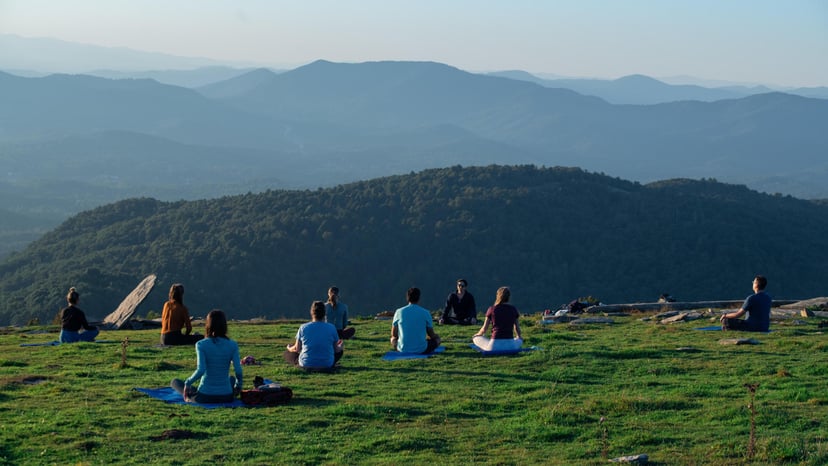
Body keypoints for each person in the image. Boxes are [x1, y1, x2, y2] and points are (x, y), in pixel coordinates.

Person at [171, 309, 242, 403]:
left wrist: (188, 383)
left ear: (208, 325)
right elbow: (238, 370)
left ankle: (189, 398)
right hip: (226, 396)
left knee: (175, 382)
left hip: (205, 396)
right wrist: (238, 386)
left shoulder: (201, 344)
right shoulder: (232, 345)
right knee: (231, 378)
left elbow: (201, 370)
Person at [285, 301, 343, 370]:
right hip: (327, 364)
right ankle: (328, 363)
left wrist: (289, 348)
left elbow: (297, 349)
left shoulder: (303, 327)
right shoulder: (331, 327)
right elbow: (336, 350)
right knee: (340, 352)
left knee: (287, 353)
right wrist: (340, 346)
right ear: (324, 313)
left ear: (312, 313)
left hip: (306, 364)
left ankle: (302, 364)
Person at [391, 287, 441, 353]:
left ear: (407, 297)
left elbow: (394, 334)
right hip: (422, 349)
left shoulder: (399, 312)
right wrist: (436, 336)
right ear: (419, 298)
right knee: (437, 339)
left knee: (392, 339)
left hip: (402, 349)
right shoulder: (425, 312)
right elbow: (431, 334)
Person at [472, 286, 523, 351]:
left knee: (476, 338)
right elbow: (517, 328)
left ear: (498, 296)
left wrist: (477, 335)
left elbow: (484, 329)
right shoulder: (513, 309)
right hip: (511, 346)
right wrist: (519, 337)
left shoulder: (492, 309)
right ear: (509, 297)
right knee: (519, 340)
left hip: (494, 346)